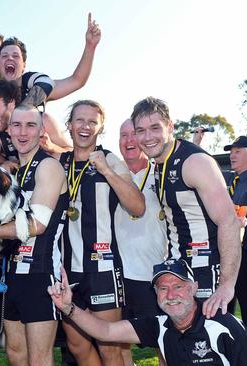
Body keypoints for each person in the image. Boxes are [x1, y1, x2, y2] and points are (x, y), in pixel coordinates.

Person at [131, 97, 241, 318]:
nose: (148, 137)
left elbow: (228, 220)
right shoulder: (160, 164)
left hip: (208, 269)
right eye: (141, 130)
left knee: (210, 347)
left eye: (155, 128)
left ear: (170, 126)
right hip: (181, 270)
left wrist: (226, 286)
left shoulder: (195, 162)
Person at [59, 100, 145, 365]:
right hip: (67, 268)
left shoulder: (109, 159)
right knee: (77, 345)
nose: (85, 127)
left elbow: (138, 206)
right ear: (69, 126)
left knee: (110, 347)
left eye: (92, 122)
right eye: (79, 120)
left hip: (102, 268)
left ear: (100, 127)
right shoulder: (59, 161)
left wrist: (106, 171)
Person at [0, 105, 69, 365]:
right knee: (15, 354)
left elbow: (37, 225)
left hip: (40, 275)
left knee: (39, 359)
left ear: (41, 130)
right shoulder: (17, 171)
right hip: (13, 274)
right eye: (17, 125)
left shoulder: (48, 166)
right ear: (8, 130)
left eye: (30, 125)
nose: (23, 132)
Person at [48, 259, 247, 366]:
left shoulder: (223, 325)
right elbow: (106, 331)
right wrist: (68, 308)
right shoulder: (158, 326)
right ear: (155, 294)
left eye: (178, 286)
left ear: (194, 288)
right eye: (163, 288)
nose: (171, 295)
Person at [116, 118, 168, 366]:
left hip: (153, 274)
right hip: (118, 276)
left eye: (133, 134)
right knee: (119, 343)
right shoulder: (111, 175)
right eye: (123, 135)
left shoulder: (161, 173)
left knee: (163, 340)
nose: (129, 141)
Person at [223, 136, 247, 329]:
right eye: (231, 151)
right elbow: (205, 168)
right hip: (231, 251)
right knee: (226, 305)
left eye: (238, 151)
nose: (232, 155)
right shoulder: (232, 178)